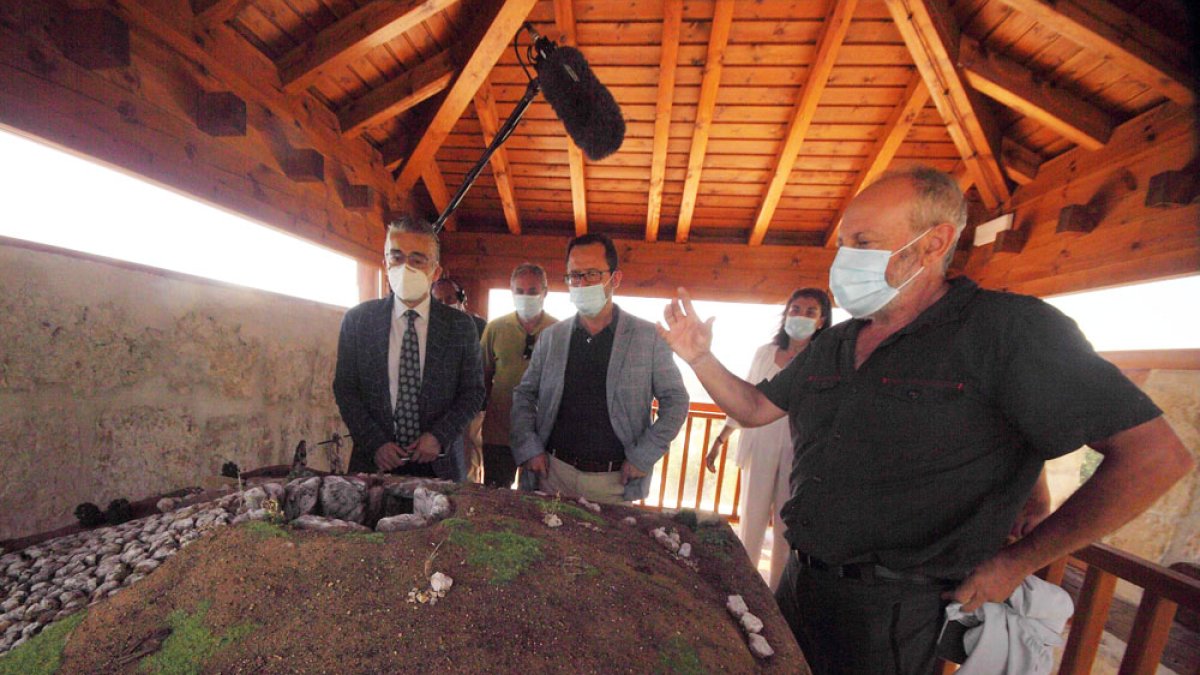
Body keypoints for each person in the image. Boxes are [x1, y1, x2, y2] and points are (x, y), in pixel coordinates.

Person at [657, 167, 1193, 674]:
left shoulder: (1007, 332)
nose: (844, 259)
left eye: (862, 244)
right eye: (843, 244)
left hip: (900, 610)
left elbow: (1156, 457)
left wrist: (1021, 561)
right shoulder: (837, 343)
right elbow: (754, 409)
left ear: (933, 244)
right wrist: (699, 357)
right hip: (802, 583)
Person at [511, 233, 689, 503]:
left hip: (614, 483)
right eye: (574, 275)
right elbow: (524, 394)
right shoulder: (552, 337)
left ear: (615, 278)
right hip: (552, 475)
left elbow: (675, 401)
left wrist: (644, 455)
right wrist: (529, 447)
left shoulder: (648, 337)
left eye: (592, 274)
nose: (581, 284)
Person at [333, 216, 486, 481]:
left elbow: (473, 392)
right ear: (385, 263)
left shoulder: (460, 326)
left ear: (435, 272)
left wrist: (439, 437)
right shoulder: (358, 321)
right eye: (397, 258)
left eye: (417, 260)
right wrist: (375, 442)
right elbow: (346, 389)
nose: (406, 268)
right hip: (374, 462)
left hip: (440, 464)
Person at [705, 288, 831, 591]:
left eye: (810, 311)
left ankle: (778, 595)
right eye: (795, 309)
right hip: (759, 446)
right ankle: (744, 590)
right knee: (751, 520)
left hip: (798, 455)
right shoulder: (765, 352)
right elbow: (746, 397)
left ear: (822, 319)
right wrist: (721, 439)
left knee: (787, 528)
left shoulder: (824, 359)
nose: (800, 316)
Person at [479, 263, 557, 488]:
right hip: (498, 434)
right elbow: (481, 377)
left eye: (532, 291)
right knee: (495, 498)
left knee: (535, 502)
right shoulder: (495, 328)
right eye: (519, 292)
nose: (526, 297)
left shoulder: (558, 331)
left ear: (545, 292)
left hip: (540, 437)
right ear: (511, 292)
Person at [431, 275, 487, 483]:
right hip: (442, 410)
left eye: (449, 298)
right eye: (439, 301)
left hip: (473, 408)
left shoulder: (479, 326)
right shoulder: (429, 329)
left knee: (472, 458)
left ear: (461, 298)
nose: (445, 305)